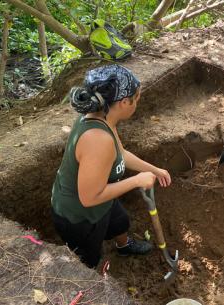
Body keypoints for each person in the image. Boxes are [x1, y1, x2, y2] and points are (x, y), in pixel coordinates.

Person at [51, 64, 172, 268]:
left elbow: (120, 153)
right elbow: (89, 198)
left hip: (101, 197)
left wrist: (153, 170)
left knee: (119, 221)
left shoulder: (104, 118)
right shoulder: (97, 140)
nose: (137, 104)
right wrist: (136, 180)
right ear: (124, 102)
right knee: (89, 258)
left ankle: (123, 246)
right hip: (79, 217)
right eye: (137, 99)